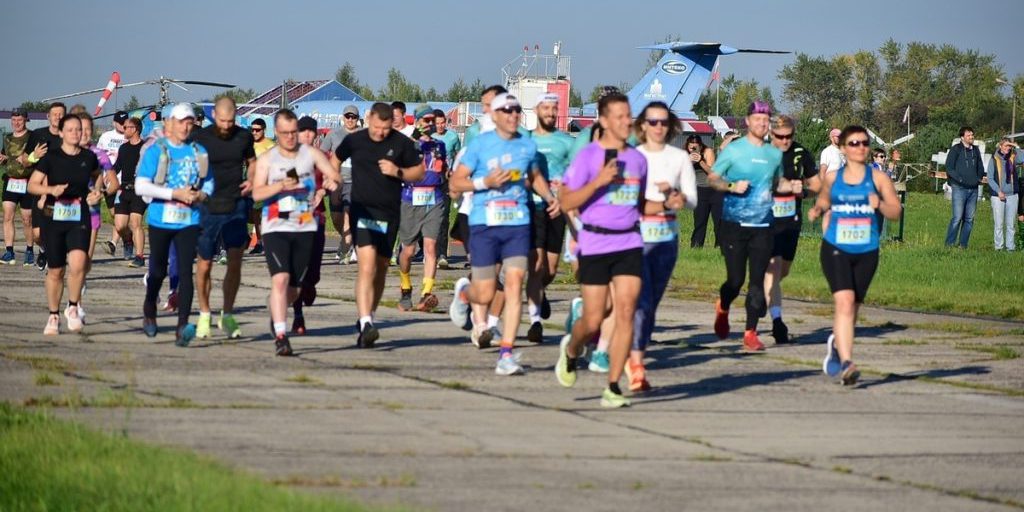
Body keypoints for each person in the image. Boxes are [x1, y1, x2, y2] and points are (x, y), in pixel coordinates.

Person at [449, 93, 556, 376]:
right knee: (483, 292)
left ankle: (506, 354)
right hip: (485, 222)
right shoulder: (480, 145)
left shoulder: (527, 145)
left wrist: (549, 197)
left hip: (517, 223)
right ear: (494, 115)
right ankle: (464, 294)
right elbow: (456, 181)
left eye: (517, 110)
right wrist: (485, 181)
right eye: (506, 110)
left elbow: (533, 177)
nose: (512, 115)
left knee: (514, 283)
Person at [553, 92, 649, 408]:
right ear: (604, 121)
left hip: (629, 242)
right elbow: (566, 202)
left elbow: (639, 202)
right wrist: (599, 182)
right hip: (594, 242)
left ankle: (613, 386)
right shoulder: (588, 156)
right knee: (593, 321)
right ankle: (571, 350)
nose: (626, 122)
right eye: (619, 117)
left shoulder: (638, 159)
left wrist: (667, 203)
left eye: (629, 115)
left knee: (626, 313)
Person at [807, 125, 902, 386]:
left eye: (864, 143)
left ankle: (838, 344)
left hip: (867, 250)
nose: (860, 147)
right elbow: (825, 200)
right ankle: (848, 363)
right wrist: (817, 210)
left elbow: (896, 211)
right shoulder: (833, 177)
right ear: (843, 148)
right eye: (854, 143)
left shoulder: (879, 178)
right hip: (835, 247)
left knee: (854, 307)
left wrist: (879, 205)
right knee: (845, 302)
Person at [331, 102, 425, 348]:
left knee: (381, 268)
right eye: (376, 127)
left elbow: (420, 172)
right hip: (363, 210)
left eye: (385, 128)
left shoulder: (400, 143)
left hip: (389, 214)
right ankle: (364, 322)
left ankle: (368, 318)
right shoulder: (357, 140)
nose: (380, 132)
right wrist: (334, 179)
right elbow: (335, 158)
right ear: (369, 118)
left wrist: (398, 172)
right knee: (367, 265)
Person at [251, 110, 339, 355]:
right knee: (280, 280)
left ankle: (276, 310)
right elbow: (257, 194)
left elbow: (334, 175)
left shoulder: (310, 154)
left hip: (305, 226)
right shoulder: (268, 159)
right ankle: (281, 335)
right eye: (285, 133)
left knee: (295, 289)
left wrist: (333, 183)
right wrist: (280, 185)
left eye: (293, 133)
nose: (291, 138)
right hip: (275, 227)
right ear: (276, 133)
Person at [708, 101, 792, 352]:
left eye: (765, 120)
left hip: (763, 225)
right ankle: (723, 307)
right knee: (735, 280)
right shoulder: (734, 151)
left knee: (757, 282)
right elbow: (713, 179)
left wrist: (792, 187)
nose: (762, 124)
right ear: (747, 122)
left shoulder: (774, 154)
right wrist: (732, 187)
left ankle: (750, 332)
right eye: (757, 119)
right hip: (734, 225)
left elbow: (778, 183)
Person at [134, 103, 212, 346]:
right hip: (160, 219)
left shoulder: (199, 151)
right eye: (180, 121)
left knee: (186, 274)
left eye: (189, 121)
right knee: (158, 270)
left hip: (189, 220)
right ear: (169, 123)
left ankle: (182, 326)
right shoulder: (157, 151)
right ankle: (150, 308)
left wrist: (199, 195)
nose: (186, 126)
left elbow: (209, 184)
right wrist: (174, 194)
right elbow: (141, 186)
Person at [630, 101, 695, 391]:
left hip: (666, 238)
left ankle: (633, 345)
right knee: (640, 303)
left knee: (651, 303)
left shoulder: (679, 157)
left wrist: (678, 198)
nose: (658, 127)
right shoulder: (633, 156)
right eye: (652, 121)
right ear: (642, 125)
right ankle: (636, 364)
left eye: (663, 122)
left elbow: (691, 200)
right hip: (635, 238)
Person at [26, 115, 101, 334]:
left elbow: (97, 176)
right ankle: (53, 315)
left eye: (78, 130)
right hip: (54, 215)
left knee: (78, 263)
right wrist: (50, 191)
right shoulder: (51, 158)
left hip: (79, 215)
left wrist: (96, 192)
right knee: (56, 271)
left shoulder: (89, 157)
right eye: (70, 130)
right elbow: (32, 185)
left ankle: (74, 306)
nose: (76, 134)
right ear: (61, 133)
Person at [191, 97, 257, 340]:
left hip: (236, 204)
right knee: (205, 264)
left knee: (235, 260)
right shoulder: (202, 138)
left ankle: (227, 314)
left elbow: (252, 162)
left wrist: (251, 179)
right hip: (207, 206)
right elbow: (191, 166)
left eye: (231, 121)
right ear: (214, 116)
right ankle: (205, 313)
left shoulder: (244, 136)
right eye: (222, 121)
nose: (227, 125)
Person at [764, 115, 820, 344]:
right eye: (780, 137)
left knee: (782, 271)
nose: (785, 141)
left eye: (789, 136)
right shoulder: (762, 153)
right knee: (773, 268)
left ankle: (762, 290)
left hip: (790, 219)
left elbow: (816, 185)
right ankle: (777, 321)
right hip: (766, 218)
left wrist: (803, 192)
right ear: (771, 134)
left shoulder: (800, 153)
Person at [526, 93, 574, 344]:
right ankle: (535, 322)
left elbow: (575, 174)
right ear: (537, 110)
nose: (551, 113)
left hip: (559, 208)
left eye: (554, 109)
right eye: (546, 108)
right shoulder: (526, 139)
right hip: (532, 208)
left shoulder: (565, 142)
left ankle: (539, 292)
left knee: (552, 269)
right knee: (536, 265)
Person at [396, 106, 446, 312]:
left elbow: (444, 169)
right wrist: (417, 136)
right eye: (425, 120)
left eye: (432, 120)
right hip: (411, 199)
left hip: (434, 198)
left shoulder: (440, 145)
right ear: (416, 121)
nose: (429, 123)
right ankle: (405, 287)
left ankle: (426, 293)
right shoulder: (408, 143)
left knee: (430, 247)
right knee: (408, 251)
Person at [292, 116, 331, 334]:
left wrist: (324, 189)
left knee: (313, 272)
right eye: (303, 131)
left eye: (311, 132)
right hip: (294, 218)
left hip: (317, 218)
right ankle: (298, 316)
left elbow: (333, 179)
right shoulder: (290, 157)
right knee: (297, 270)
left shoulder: (322, 157)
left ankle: (309, 285)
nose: (307, 135)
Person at [23, 102, 67, 271]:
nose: (58, 117)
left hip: (62, 193)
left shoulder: (68, 137)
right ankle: (43, 250)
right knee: (37, 235)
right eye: (54, 114)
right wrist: (35, 156)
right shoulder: (38, 135)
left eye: (61, 114)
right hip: (40, 191)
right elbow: (24, 161)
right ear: (48, 116)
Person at [320, 104, 361, 263]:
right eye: (348, 117)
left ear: (358, 119)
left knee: (347, 216)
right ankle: (346, 241)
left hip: (355, 181)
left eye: (353, 117)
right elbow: (322, 153)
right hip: (336, 181)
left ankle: (349, 246)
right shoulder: (334, 134)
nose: (350, 120)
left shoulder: (363, 134)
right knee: (336, 217)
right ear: (343, 118)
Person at [1, 108, 34, 266]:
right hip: (10, 181)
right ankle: (9, 251)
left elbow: (35, 157)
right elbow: (5, 156)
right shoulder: (6, 138)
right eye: (13, 120)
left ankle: (29, 250)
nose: (16, 123)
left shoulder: (32, 137)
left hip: (28, 182)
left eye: (19, 120)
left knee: (27, 219)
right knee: (7, 216)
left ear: (26, 120)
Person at [943, 126, 986, 248]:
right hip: (959, 188)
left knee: (969, 219)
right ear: (962, 137)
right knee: (957, 217)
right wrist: (960, 179)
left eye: (972, 135)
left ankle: (963, 245)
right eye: (968, 135)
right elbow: (949, 167)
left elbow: (980, 166)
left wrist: (978, 178)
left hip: (973, 189)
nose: (971, 137)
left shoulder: (976, 150)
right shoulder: (956, 149)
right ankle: (949, 245)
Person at [112, 117, 147, 267]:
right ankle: (128, 241)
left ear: (135, 129)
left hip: (139, 190)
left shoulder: (146, 148)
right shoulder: (123, 148)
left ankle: (139, 256)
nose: (124, 129)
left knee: (135, 222)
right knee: (120, 226)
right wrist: (106, 176)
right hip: (124, 189)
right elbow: (116, 167)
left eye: (126, 127)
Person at [431, 109, 460, 269]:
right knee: (430, 216)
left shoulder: (452, 137)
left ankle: (442, 254)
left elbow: (458, 155)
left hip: (446, 180)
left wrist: (454, 171)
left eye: (443, 123)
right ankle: (428, 251)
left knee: (444, 216)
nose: (440, 126)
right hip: (430, 181)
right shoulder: (429, 137)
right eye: (437, 123)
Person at [98, 111, 129, 257]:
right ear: (114, 123)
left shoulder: (129, 136)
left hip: (124, 181)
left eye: (125, 122)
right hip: (108, 181)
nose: (124, 125)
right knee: (113, 214)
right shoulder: (106, 137)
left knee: (119, 216)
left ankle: (113, 243)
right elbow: (98, 156)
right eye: (120, 123)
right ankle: (128, 239)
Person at [987, 138, 1021, 251]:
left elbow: (1023, 157)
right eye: (1006, 146)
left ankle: (1010, 247)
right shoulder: (993, 159)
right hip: (998, 196)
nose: (1008, 148)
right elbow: (990, 178)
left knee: (1011, 224)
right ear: (1000, 146)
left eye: (1009, 146)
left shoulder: (1013, 157)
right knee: (999, 224)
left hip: (1012, 195)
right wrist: (998, 191)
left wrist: (1016, 146)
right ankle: (999, 248)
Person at [688, 134, 721, 248]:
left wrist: (701, 161)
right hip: (700, 190)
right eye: (691, 147)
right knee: (699, 221)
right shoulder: (685, 155)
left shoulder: (708, 152)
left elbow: (712, 173)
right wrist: (690, 161)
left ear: (701, 146)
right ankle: (696, 245)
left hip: (715, 189)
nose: (693, 149)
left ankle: (720, 246)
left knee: (718, 221)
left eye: (696, 147)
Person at [248, 118, 275, 255]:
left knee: (266, 214)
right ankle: (259, 242)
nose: (254, 132)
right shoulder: (249, 144)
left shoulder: (270, 145)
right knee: (255, 215)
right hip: (252, 185)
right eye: (252, 130)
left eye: (257, 130)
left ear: (264, 130)